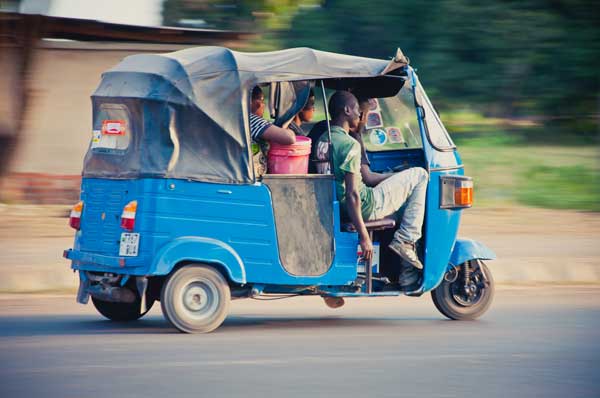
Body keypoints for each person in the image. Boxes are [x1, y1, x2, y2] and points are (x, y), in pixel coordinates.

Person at [316, 91, 428, 270]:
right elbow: (353, 194)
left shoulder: (323, 139)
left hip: (338, 207)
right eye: (357, 110)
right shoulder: (349, 144)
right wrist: (364, 236)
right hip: (368, 205)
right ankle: (405, 240)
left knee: (407, 208)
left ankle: (407, 276)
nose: (360, 115)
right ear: (347, 110)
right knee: (420, 175)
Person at [249, 86, 296, 176]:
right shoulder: (250, 120)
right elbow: (290, 138)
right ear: (257, 103)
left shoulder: (234, 119)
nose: (263, 105)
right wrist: (287, 129)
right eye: (262, 101)